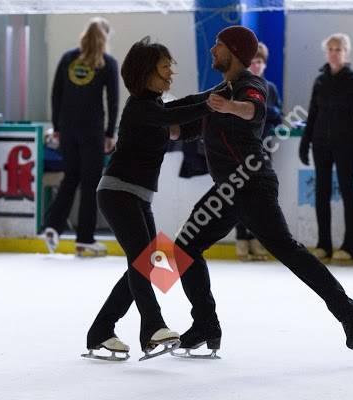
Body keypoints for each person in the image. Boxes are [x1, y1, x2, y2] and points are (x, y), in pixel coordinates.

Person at [174, 26, 353, 358]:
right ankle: (206, 325)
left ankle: (351, 313)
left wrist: (229, 107)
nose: (212, 50)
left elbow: (253, 109)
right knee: (184, 248)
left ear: (235, 52)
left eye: (218, 45)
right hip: (228, 190)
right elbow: (181, 128)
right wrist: (149, 123)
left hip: (251, 183)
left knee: (289, 251)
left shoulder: (249, 85)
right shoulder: (219, 91)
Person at [84, 37, 212, 360]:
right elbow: (180, 113)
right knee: (145, 261)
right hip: (117, 193)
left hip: (137, 198)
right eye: (165, 66)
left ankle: (101, 330)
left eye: (171, 66)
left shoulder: (155, 109)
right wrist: (211, 102)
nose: (171, 73)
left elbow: (183, 115)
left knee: (150, 263)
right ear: (146, 73)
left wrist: (218, 98)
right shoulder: (141, 107)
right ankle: (152, 325)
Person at [42, 17, 119, 257]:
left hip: (67, 130)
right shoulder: (108, 63)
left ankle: (53, 225)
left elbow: (56, 94)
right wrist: (110, 132)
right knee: (90, 184)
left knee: (70, 178)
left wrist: (56, 126)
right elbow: (113, 100)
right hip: (92, 131)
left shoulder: (67, 58)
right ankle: (84, 239)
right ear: (106, 37)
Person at [299, 33, 353, 262]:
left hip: (345, 144)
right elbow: (313, 113)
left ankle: (350, 245)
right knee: (321, 193)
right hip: (321, 143)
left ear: (346, 53)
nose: (334, 53)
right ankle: (323, 243)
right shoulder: (320, 81)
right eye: (330, 49)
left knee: (348, 192)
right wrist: (305, 141)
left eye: (338, 49)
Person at [234, 42, 283, 261]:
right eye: (254, 61)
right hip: (243, 147)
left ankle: (255, 239)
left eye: (261, 62)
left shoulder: (269, 88)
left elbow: (277, 115)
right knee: (241, 192)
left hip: (264, 146)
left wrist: (267, 112)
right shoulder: (240, 86)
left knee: (259, 195)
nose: (257, 65)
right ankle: (241, 238)